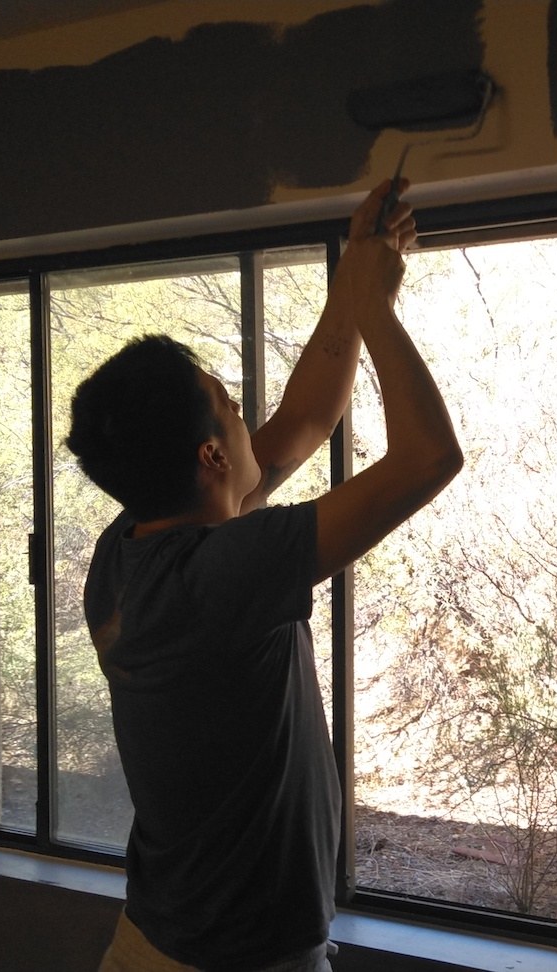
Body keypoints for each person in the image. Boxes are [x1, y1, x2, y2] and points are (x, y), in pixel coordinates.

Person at [63, 180, 462, 972]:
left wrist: (354, 276)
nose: (248, 416)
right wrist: (375, 308)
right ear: (212, 456)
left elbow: (308, 418)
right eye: (231, 406)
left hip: (158, 942)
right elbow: (428, 459)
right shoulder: (222, 574)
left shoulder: (129, 550)